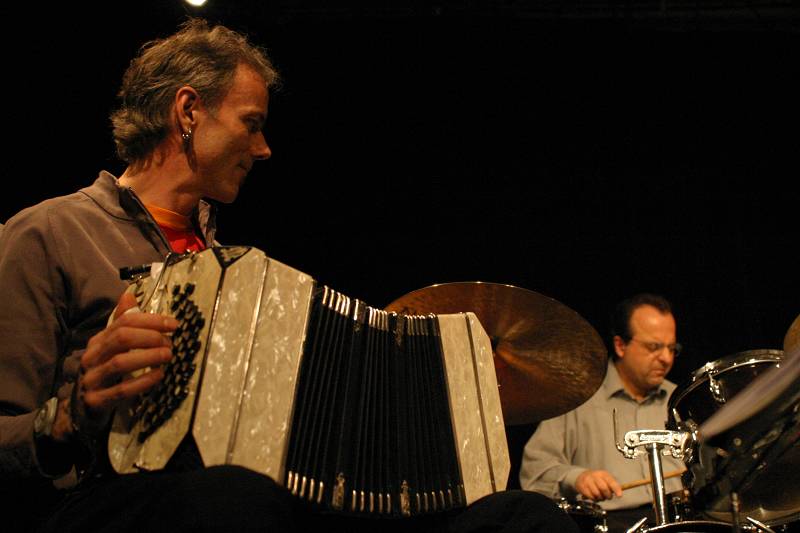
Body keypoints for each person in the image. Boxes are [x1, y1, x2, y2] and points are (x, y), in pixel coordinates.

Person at [0, 18, 577, 533]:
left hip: (251, 500)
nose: (265, 148)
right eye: (251, 124)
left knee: (519, 516)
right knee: (233, 500)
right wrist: (70, 412)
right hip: (98, 501)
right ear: (188, 110)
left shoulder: (240, 277)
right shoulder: (50, 232)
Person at [518, 293, 684, 532]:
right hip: (611, 525)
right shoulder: (578, 398)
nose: (666, 358)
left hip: (677, 520)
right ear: (620, 345)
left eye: (671, 348)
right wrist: (578, 477)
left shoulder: (679, 399)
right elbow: (534, 473)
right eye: (654, 347)